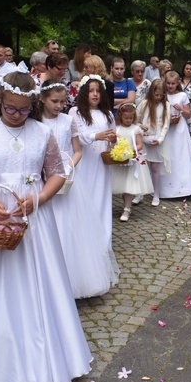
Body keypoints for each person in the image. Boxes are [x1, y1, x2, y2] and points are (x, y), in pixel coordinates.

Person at [0, 72, 92, 382]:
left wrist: (38, 199)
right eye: (11, 108)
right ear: (0, 99)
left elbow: (58, 173)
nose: (16, 115)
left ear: (34, 105)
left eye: (24, 110)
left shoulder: (43, 133)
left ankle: (41, 361)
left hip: (31, 219)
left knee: (34, 286)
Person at [40, 80, 119, 298]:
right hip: (42, 178)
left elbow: (76, 151)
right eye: (54, 101)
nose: (58, 105)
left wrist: (65, 169)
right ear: (42, 99)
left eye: (61, 101)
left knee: (71, 225)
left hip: (66, 177)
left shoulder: (68, 121)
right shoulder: (36, 121)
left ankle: (77, 277)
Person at [70, 75, 117, 247]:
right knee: (84, 197)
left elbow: (114, 135)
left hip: (101, 162)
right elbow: (77, 137)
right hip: (84, 162)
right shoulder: (75, 112)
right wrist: (95, 136)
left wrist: (113, 140)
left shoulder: (108, 114)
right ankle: (82, 239)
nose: (95, 94)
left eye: (98, 91)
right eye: (91, 91)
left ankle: (102, 240)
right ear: (84, 93)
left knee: (101, 197)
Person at [160, 71, 191, 200]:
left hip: (179, 129)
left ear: (177, 83)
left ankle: (185, 187)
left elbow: (188, 114)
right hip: (167, 129)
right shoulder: (163, 95)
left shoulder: (183, 95)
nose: (170, 86)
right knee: (168, 155)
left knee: (180, 156)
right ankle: (164, 188)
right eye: (168, 83)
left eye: (173, 83)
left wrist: (180, 109)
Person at [111, 103, 154, 221]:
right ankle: (126, 204)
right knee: (121, 184)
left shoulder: (135, 129)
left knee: (129, 184)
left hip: (132, 159)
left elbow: (139, 144)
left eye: (131, 118)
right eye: (126, 118)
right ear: (120, 116)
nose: (128, 120)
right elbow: (113, 142)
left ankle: (127, 208)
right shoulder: (117, 129)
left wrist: (130, 150)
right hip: (120, 160)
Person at [136, 79, 171, 207]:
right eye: (156, 95)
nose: (158, 97)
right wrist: (141, 126)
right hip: (144, 140)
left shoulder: (166, 105)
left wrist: (160, 140)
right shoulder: (144, 104)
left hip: (156, 140)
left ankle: (156, 194)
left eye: (160, 95)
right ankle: (139, 193)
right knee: (141, 167)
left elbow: (166, 125)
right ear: (151, 93)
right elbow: (135, 119)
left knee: (155, 168)